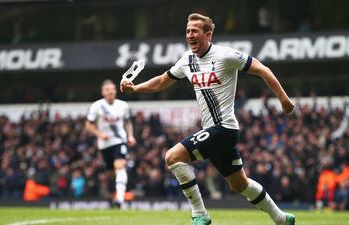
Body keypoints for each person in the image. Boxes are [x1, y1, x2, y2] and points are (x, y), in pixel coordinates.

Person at [121, 13, 295, 225]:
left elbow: (263, 70)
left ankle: (200, 214)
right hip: (215, 131)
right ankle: (281, 218)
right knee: (239, 185)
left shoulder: (226, 55)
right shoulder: (187, 60)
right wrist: (136, 87)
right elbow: (162, 81)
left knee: (173, 156)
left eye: (194, 31)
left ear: (208, 35)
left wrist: (284, 100)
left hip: (223, 129)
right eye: (187, 31)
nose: (190, 35)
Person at [86, 79, 136, 207]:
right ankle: (113, 195)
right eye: (107, 90)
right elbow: (88, 125)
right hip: (104, 144)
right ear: (103, 92)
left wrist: (130, 136)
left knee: (120, 166)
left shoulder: (123, 105)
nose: (111, 92)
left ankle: (119, 199)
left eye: (113, 89)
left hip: (119, 140)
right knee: (111, 173)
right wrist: (100, 134)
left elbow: (128, 121)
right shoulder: (97, 106)